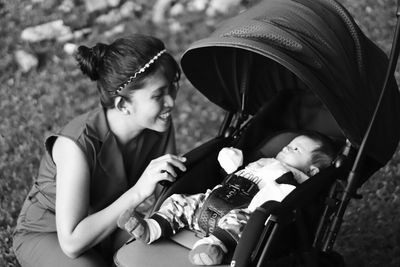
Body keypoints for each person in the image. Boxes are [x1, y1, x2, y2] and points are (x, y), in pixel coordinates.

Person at [12, 34, 187, 267]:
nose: (171, 102)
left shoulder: (157, 123)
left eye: (172, 88)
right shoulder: (76, 144)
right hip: (52, 234)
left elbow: (163, 199)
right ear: (123, 105)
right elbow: (72, 243)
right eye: (158, 95)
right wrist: (137, 192)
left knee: (167, 251)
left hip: (111, 225)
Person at [117, 132, 337, 265]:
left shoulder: (292, 181)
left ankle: (212, 246)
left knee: (243, 220)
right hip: (212, 201)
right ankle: (152, 227)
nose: (287, 146)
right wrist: (231, 163)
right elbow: (236, 174)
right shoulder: (264, 162)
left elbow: (277, 201)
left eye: (296, 149)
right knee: (181, 202)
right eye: (289, 144)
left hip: (242, 211)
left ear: (313, 170)